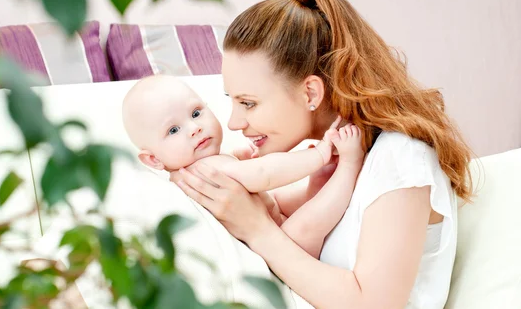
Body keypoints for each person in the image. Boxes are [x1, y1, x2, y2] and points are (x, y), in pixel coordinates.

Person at [170, 0, 473, 309]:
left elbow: (374, 305)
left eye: (249, 103)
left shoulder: (401, 159)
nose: (234, 123)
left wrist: (257, 230)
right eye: (234, 101)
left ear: (310, 93)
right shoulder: (342, 160)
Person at [122, 74, 364, 259]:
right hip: (281, 252)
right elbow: (264, 174)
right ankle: (349, 166)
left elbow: (242, 176)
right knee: (303, 226)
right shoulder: (204, 169)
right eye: (173, 130)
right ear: (153, 160)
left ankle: (318, 188)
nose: (194, 128)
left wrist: (242, 157)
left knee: (281, 199)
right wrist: (319, 155)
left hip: (270, 221)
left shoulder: (196, 169)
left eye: (196, 113)